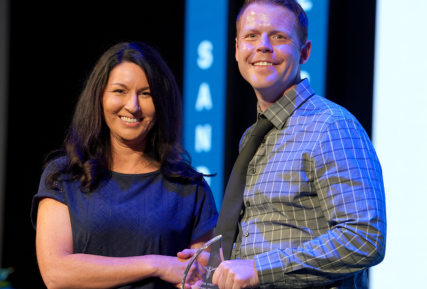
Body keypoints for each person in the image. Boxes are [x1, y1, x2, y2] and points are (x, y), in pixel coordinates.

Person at [178, 1, 386, 288]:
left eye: (279, 36)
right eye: (251, 36)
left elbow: (365, 237)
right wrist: (216, 265)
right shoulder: (252, 136)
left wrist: (259, 269)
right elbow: (268, 235)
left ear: (304, 52)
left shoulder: (331, 125)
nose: (263, 46)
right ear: (237, 48)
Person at [31, 42, 218, 289]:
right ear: (99, 96)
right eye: (119, 91)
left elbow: (202, 276)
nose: (133, 106)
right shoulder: (65, 176)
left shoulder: (190, 187)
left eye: (146, 93)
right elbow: (56, 273)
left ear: (162, 102)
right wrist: (157, 264)